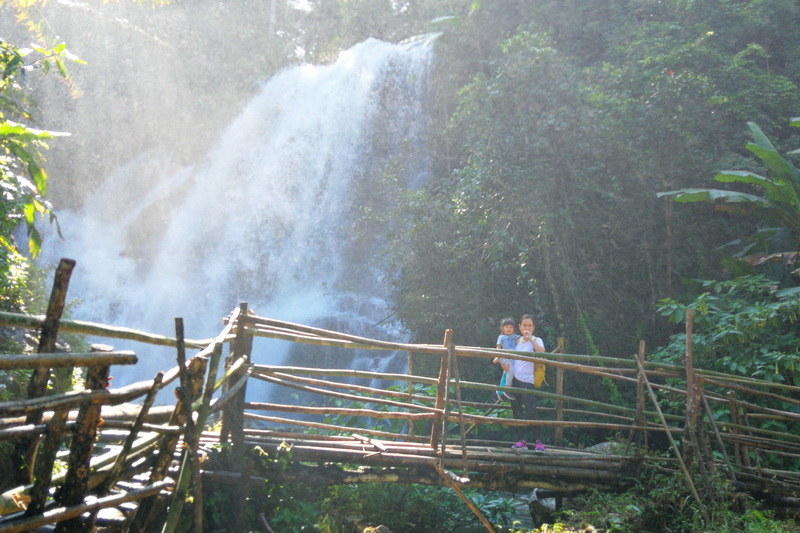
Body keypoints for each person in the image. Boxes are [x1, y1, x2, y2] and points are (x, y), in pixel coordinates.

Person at [509, 314, 545, 449]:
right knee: (517, 411)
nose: (527, 328)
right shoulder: (517, 341)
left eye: (529, 325)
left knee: (531, 410)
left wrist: (531, 340)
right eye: (524, 325)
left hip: (528, 381)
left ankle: (539, 442)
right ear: (519, 326)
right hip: (515, 380)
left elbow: (541, 352)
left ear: (533, 327)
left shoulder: (537, 340)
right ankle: (521, 441)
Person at [492, 317, 519, 400]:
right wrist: (497, 357)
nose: (509, 329)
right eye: (507, 327)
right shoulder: (501, 337)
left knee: (506, 373)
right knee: (511, 371)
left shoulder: (516, 337)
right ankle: (507, 388)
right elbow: (498, 347)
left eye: (511, 327)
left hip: (513, 358)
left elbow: (523, 340)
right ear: (502, 328)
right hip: (504, 357)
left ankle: (500, 391)